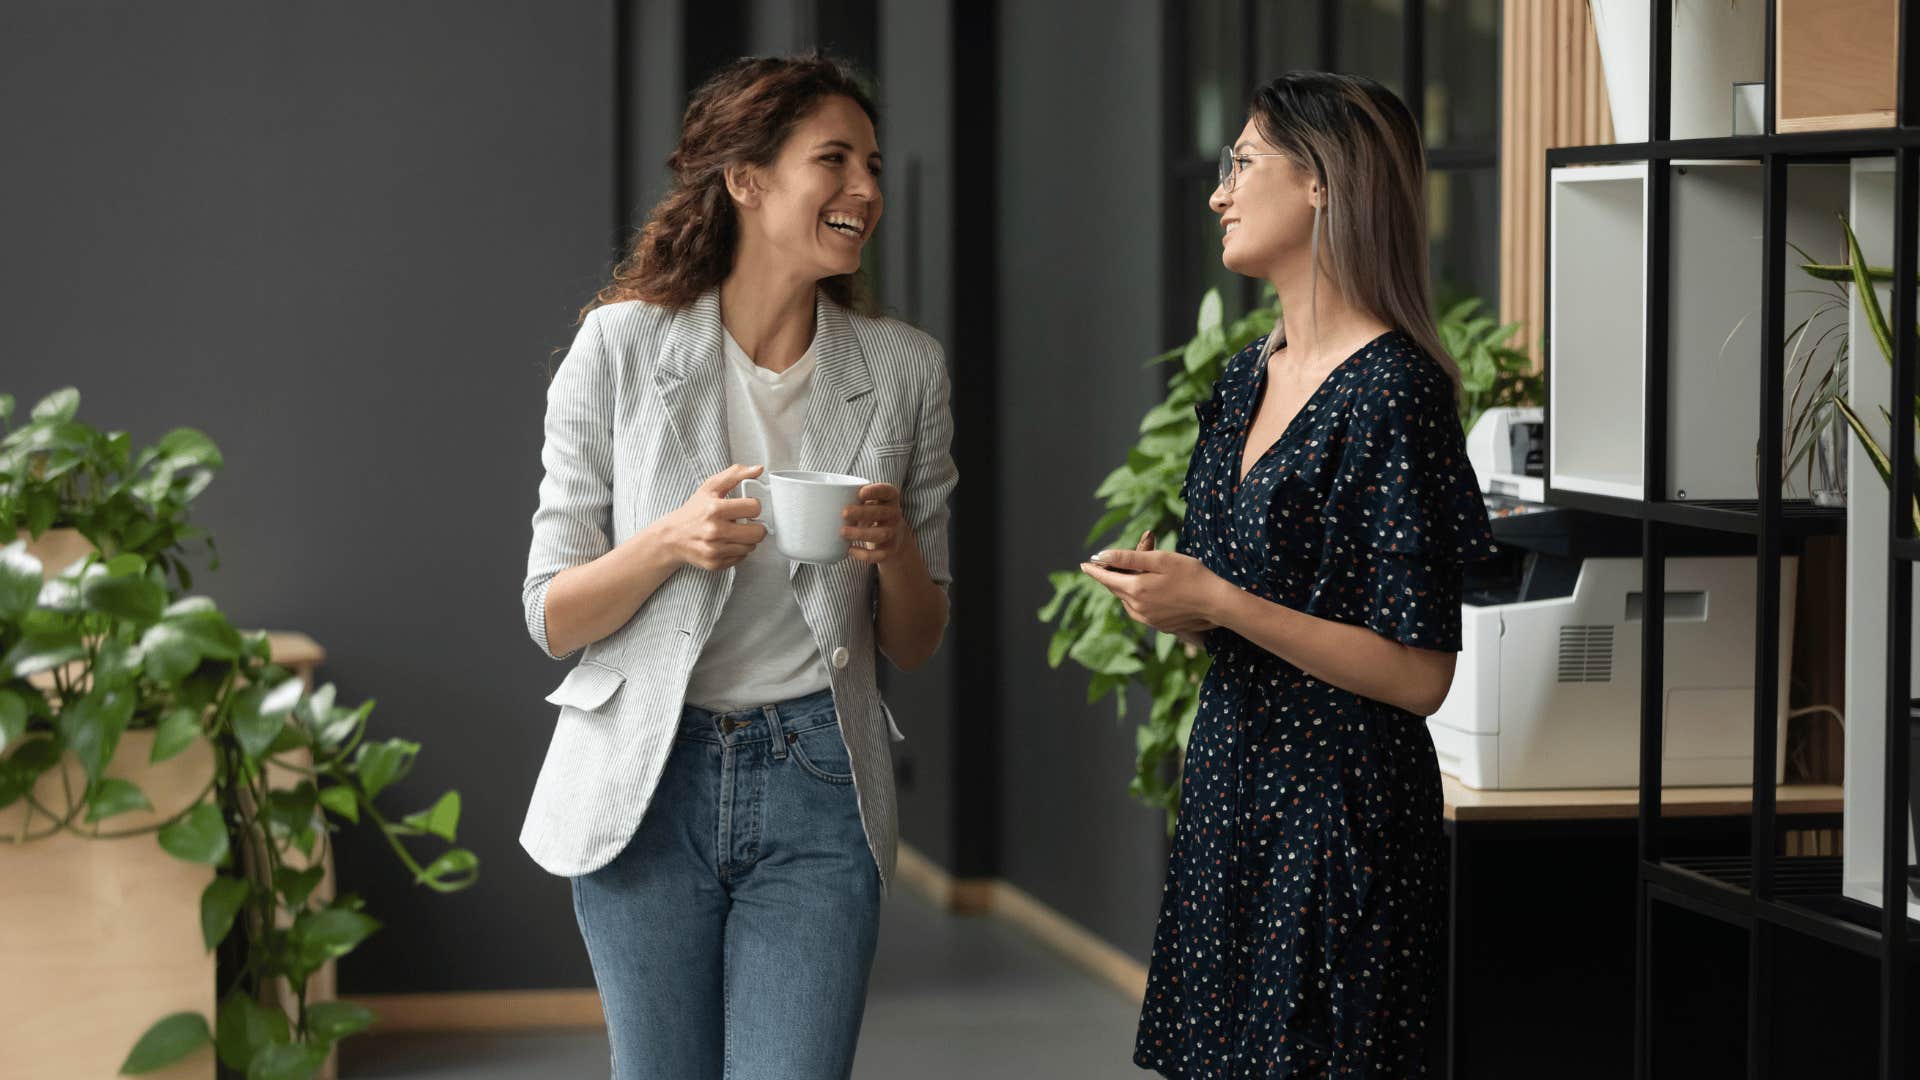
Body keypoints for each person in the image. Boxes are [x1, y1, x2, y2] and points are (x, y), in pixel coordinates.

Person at [517, 53, 957, 1080]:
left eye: (875, 166)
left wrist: (892, 554)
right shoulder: (618, 348)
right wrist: (673, 540)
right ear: (747, 181)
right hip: (647, 775)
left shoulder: (904, 371)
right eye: (833, 160)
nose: (866, 191)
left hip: (817, 774)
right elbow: (550, 612)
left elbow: (918, 638)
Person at [1082, 71, 1495, 1078]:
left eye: (1244, 163)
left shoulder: (1393, 390)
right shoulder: (1244, 375)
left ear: (1322, 184)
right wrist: (1176, 601)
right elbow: (1235, 610)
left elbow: (1417, 674)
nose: (1221, 191)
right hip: (1232, 795)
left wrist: (1220, 600)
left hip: (1341, 820)